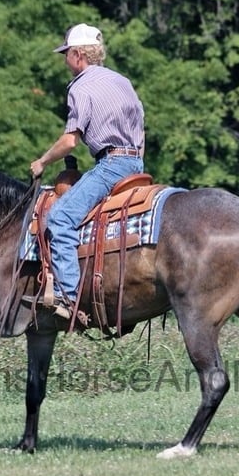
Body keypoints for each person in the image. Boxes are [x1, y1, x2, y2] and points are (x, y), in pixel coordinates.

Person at [27, 23, 145, 320]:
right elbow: (140, 124)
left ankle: (68, 297)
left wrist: (42, 162)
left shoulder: (80, 87)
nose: (65, 59)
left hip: (112, 164)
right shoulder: (122, 81)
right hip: (136, 163)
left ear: (79, 55)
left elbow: (69, 141)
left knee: (60, 217)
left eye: (66, 53)